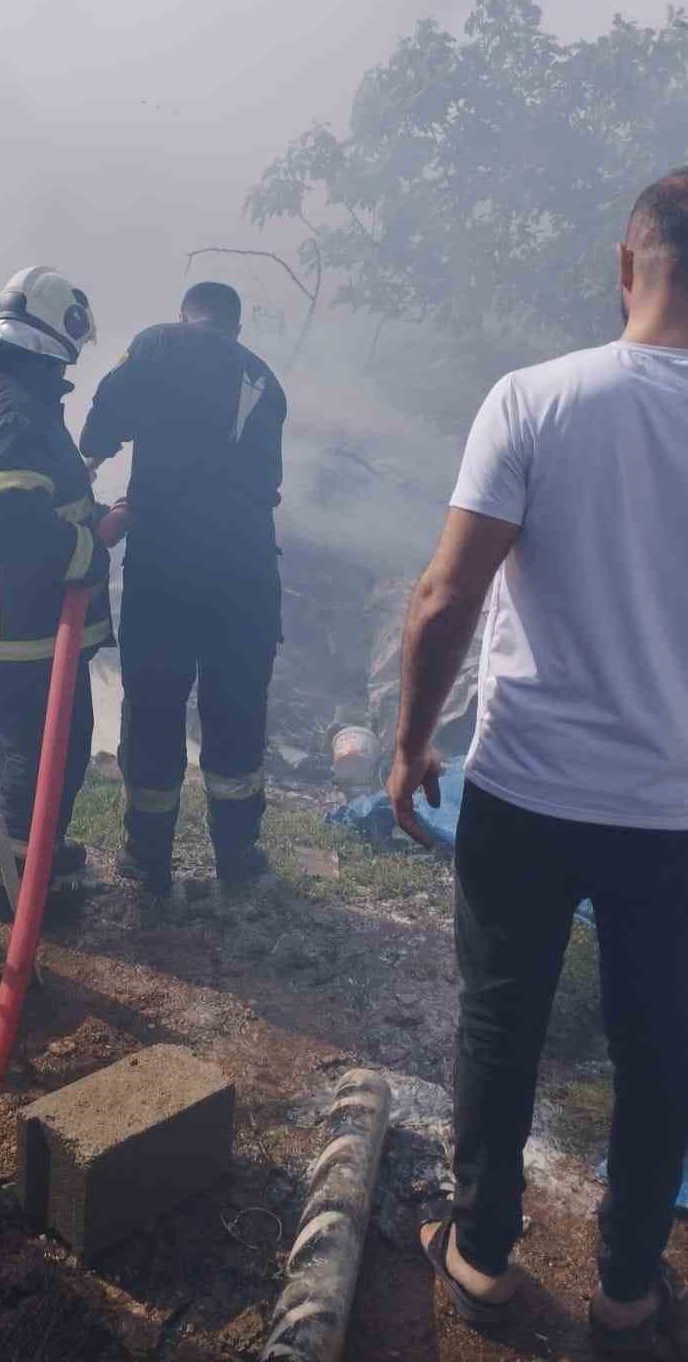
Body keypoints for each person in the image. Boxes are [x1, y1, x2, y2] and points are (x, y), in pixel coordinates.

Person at [387, 170, 688, 1353]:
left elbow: (443, 595)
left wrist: (413, 745)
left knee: (500, 1023)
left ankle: (481, 1257)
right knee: (660, 1039)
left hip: (522, 790)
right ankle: (626, 1288)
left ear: (624, 266)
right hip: (673, 815)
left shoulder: (534, 399)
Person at [79, 281, 287, 894]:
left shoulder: (158, 345)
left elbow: (103, 419)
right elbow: (265, 483)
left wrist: (84, 470)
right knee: (238, 707)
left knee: (153, 707)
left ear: (185, 315)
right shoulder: (265, 379)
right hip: (246, 575)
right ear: (237, 328)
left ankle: (147, 859)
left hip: (165, 571)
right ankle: (239, 858)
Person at [0, 266, 112, 920]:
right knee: (35, 766)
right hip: (10, 633)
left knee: (45, 754)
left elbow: (32, 503)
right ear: (56, 336)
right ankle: (9, 896)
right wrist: (94, 549)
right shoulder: (14, 408)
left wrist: (93, 520)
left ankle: (39, 856)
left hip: (2, 626)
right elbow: (14, 526)